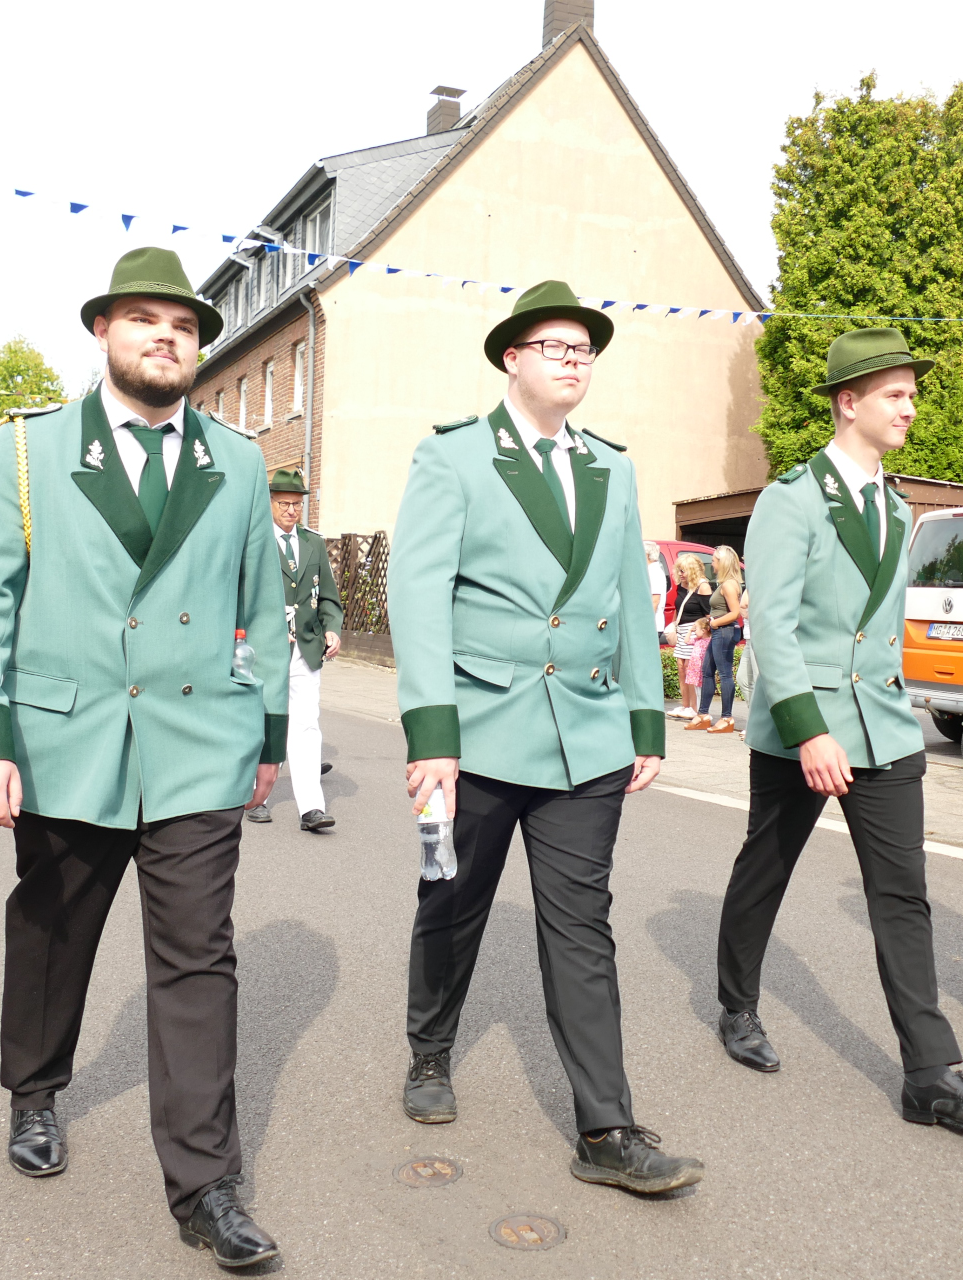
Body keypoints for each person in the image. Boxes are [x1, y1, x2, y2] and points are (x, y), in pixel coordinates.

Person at [0, 247, 289, 1268]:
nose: (164, 338)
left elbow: (262, 610)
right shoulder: (28, 449)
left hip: (195, 744)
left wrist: (266, 734)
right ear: (104, 331)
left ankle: (206, 1184)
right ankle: (35, 1091)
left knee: (198, 959)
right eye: (143, 320)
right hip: (65, 740)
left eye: (181, 326)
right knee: (54, 934)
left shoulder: (237, 461)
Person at [390, 281, 702, 1195]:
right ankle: (430, 1049)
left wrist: (646, 717)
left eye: (585, 349)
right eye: (556, 347)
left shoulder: (612, 466)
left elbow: (630, 598)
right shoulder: (454, 456)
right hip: (478, 731)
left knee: (582, 927)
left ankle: (606, 1129)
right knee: (452, 900)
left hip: (586, 737)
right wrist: (432, 734)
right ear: (512, 358)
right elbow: (418, 595)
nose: (574, 361)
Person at [714, 328, 963, 1133]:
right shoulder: (791, 499)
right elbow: (772, 625)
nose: (910, 407)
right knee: (766, 869)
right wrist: (808, 730)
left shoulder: (894, 504)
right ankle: (737, 1004)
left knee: (903, 896)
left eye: (912, 394)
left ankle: (932, 1074)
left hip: (885, 728)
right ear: (848, 402)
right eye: (895, 394)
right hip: (806, 728)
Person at [244, 469, 343, 831]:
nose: (291, 510)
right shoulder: (255, 541)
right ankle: (255, 797)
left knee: (306, 725)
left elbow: (328, 596)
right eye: (284, 503)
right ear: (270, 503)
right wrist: (262, 632)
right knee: (263, 721)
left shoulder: (313, 543)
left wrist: (332, 629)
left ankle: (311, 808)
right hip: (265, 649)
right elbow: (244, 595)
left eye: (297, 504)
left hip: (307, 647)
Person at [693, 545, 745, 733]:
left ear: (723, 563)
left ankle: (727, 718)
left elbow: (735, 613)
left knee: (724, 674)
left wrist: (714, 623)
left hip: (724, 631)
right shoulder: (725, 584)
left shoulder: (729, 585)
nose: (712, 564)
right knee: (707, 670)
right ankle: (703, 715)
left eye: (714, 560)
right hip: (720, 631)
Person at [669, 555, 709, 720]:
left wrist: (702, 634)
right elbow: (678, 608)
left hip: (695, 631)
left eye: (683, 570)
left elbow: (708, 615)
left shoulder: (703, 586)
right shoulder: (681, 586)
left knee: (690, 669)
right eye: (679, 570)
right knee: (681, 667)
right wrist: (674, 626)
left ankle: (694, 707)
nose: (680, 574)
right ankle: (685, 705)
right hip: (682, 630)